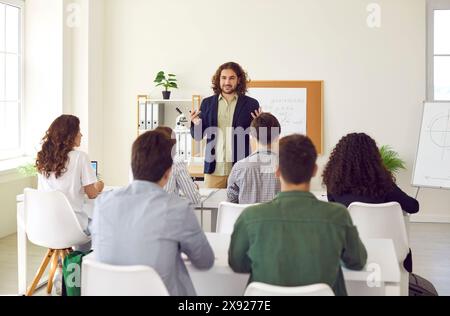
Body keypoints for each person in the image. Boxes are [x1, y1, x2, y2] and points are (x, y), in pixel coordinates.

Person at [228, 134, 367, 296]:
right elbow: (357, 261)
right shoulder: (338, 216)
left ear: (277, 171)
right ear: (315, 170)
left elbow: (238, 264)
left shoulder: (250, 217)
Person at [91, 130, 214, 296]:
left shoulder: (102, 205)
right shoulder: (177, 209)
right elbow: (205, 261)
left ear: (133, 165)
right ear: (167, 173)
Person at [322, 132, 419, 272]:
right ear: (373, 158)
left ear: (340, 159)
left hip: (348, 251)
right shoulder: (385, 185)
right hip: (388, 251)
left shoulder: (334, 186)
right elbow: (413, 207)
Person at [190, 62, 261, 189]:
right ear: (218, 80)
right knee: (211, 205)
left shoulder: (251, 104)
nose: (227, 82)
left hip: (240, 170)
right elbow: (198, 136)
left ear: (239, 80)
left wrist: (260, 124)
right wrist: (195, 123)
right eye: (223, 78)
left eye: (231, 78)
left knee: (240, 208)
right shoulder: (207, 103)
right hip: (214, 170)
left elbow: (260, 136)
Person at [36, 115, 104, 235]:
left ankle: (74, 252)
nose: (81, 135)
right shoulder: (80, 157)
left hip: (44, 224)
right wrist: (99, 186)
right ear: (70, 135)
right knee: (102, 225)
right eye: (79, 131)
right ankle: (81, 254)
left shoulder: (43, 158)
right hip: (73, 226)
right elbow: (92, 194)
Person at [226, 113, 281, 204]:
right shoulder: (287, 167)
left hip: (247, 218)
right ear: (277, 137)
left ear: (253, 136)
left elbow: (231, 203)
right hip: (276, 217)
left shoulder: (239, 167)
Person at [155, 126, 201, 205]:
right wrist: (193, 188)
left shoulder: (141, 162)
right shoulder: (176, 162)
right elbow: (194, 199)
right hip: (166, 215)